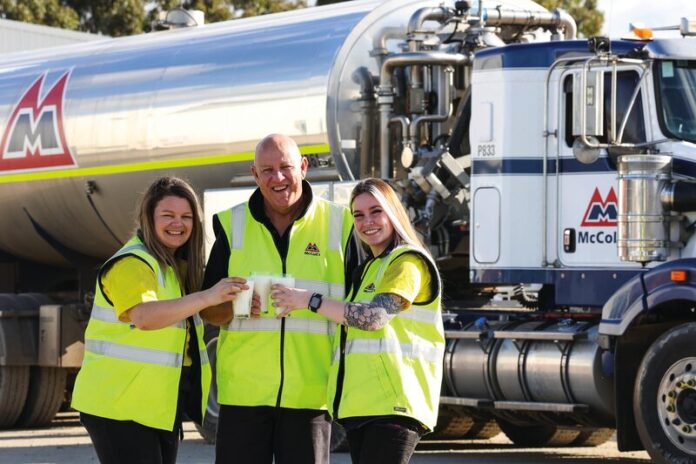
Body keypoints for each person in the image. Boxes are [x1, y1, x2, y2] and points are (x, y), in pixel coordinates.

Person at [201, 134, 358, 464]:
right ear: (254, 174)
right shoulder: (231, 226)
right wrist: (235, 307)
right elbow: (209, 311)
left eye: (285, 167)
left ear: (303, 167)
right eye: (267, 170)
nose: (278, 178)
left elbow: (358, 309)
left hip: (310, 396)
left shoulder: (340, 225)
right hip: (243, 397)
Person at [72, 176, 247, 464]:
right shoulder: (132, 263)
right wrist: (207, 296)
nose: (178, 223)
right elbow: (144, 316)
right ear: (148, 218)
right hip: (118, 406)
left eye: (186, 216)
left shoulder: (171, 267)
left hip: (153, 406)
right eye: (168, 215)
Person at [272, 177, 445, 464]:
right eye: (359, 215)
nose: (368, 222)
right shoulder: (370, 268)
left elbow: (374, 318)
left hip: (394, 407)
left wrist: (309, 300)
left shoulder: (406, 262)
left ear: (394, 213)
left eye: (376, 211)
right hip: (363, 408)